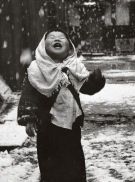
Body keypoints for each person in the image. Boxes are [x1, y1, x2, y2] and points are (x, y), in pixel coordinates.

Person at [17, 28, 105, 182]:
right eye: (51, 38)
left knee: (74, 162)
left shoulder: (75, 67)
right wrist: (29, 118)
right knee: (50, 165)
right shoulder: (36, 69)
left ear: (69, 46)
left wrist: (96, 81)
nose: (56, 39)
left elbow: (85, 87)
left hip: (71, 125)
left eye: (61, 38)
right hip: (48, 125)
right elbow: (29, 95)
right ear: (43, 46)